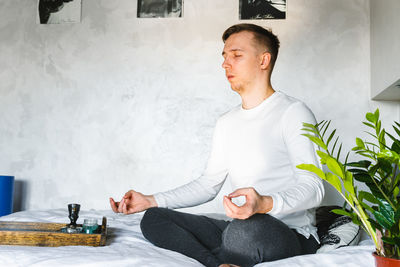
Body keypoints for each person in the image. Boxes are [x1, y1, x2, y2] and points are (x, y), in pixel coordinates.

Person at [110, 23, 324, 267]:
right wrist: (150, 199)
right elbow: (208, 184)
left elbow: (314, 187)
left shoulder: (293, 112)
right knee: (154, 218)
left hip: (287, 233)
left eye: (236, 55)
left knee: (243, 231)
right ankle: (216, 264)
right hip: (240, 228)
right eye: (224, 57)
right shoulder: (227, 122)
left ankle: (224, 254)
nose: (225, 64)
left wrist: (264, 203)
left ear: (263, 60)